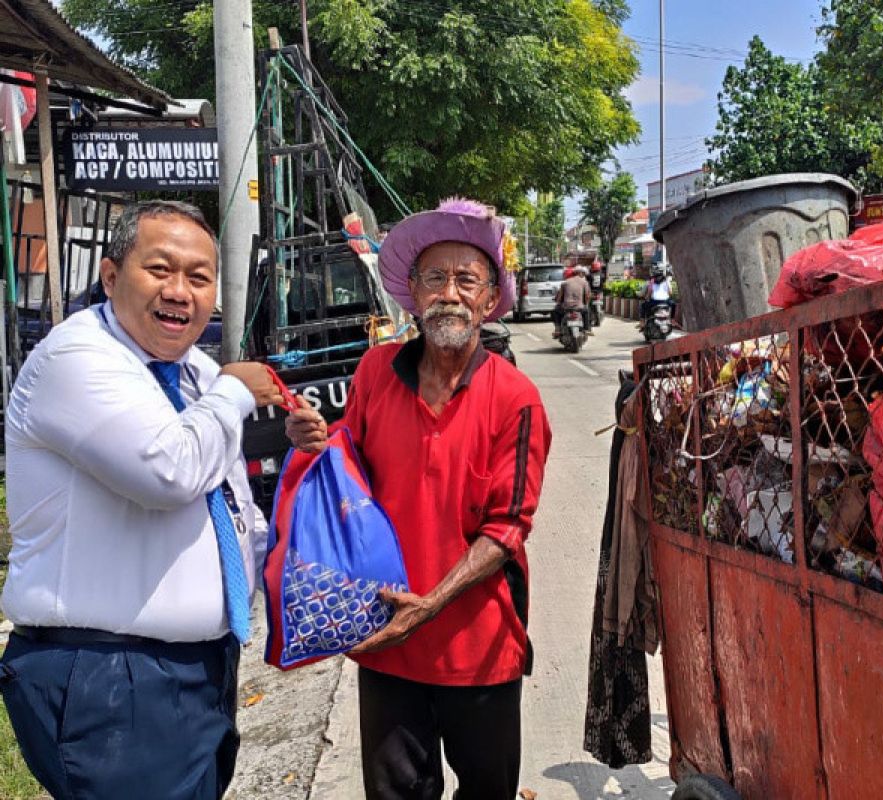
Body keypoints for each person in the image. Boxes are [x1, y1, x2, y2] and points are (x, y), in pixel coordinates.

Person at [1, 200, 286, 799]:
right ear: (110, 277)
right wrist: (235, 393)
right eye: (160, 269)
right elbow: (170, 471)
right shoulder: (76, 359)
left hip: (193, 670)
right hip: (111, 675)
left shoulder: (192, 371)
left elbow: (227, 497)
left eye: (198, 277)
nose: (179, 291)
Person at [285, 197, 552, 800]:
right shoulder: (376, 372)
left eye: (467, 280)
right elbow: (345, 472)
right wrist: (312, 443)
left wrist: (430, 603)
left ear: (489, 299)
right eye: (435, 278)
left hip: (478, 646)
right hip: (386, 641)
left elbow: (510, 527)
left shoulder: (517, 399)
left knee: (487, 791)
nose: (450, 293)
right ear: (412, 290)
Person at [553, 264, 592, 336]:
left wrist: (558, 302)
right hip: (579, 308)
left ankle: (557, 329)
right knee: (586, 311)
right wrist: (585, 304)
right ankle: (587, 329)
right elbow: (587, 296)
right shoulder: (584, 282)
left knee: (555, 310)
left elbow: (559, 298)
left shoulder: (565, 283)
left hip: (566, 308)